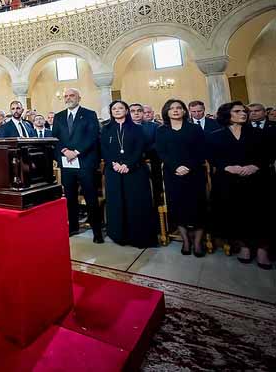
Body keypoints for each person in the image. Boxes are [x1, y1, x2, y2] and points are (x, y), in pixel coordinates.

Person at [207, 102, 270, 269]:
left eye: (244, 111)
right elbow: (212, 157)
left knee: (260, 213)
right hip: (229, 179)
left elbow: (267, 154)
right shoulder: (215, 135)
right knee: (235, 212)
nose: (243, 113)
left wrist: (255, 166)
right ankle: (244, 246)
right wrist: (226, 167)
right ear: (227, 114)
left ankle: (263, 249)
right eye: (237, 111)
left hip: (256, 179)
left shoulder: (258, 133)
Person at [100, 100, 158, 248]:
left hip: (135, 170)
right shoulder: (106, 129)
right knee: (117, 203)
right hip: (113, 171)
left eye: (120, 108)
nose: (117, 110)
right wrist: (114, 164)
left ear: (126, 111)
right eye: (114, 108)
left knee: (136, 203)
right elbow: (104, 149)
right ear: (111, 112)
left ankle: (138, 237)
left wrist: (128, 165)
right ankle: (119, 235)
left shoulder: (137, 129)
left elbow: (140, 148)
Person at [155, 99, 208, 256]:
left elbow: (201, 150)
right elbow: (161, 152)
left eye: (179, 107)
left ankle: (197, 243)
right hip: (173, 174)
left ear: (184, 111)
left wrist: (188, 166)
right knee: (177, 207)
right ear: (167, 112)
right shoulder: (161, 130)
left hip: (194, 173)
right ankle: (185, 241)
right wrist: (175, 167)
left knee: (198, 207)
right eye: (172, 108)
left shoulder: (194, 129)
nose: (176, 110)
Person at [51, 88, 102, 241]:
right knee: (70, 197)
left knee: (91, 197)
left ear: (79, 98)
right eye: (66, 96)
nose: (68, 98)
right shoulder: (59, 116)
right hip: (67, 164)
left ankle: (97, 231)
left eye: (72, 95)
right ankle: (73, 227)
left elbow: (92, 136)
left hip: (85, 162)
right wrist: (65, 151)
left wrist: (76, 151)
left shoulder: (89, 114)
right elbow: (55, 138)